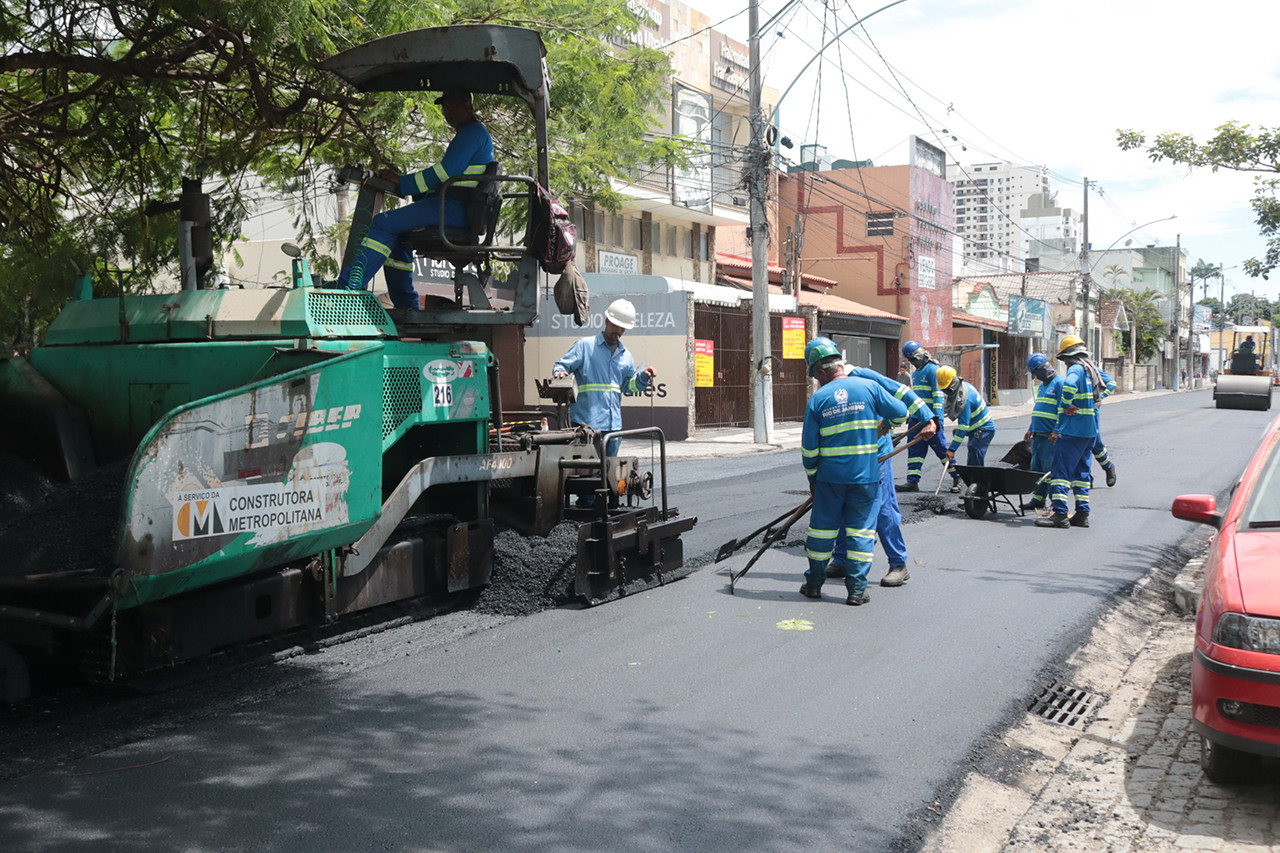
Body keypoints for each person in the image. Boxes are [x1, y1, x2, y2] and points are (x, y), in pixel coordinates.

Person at [337, 88, 495, 310]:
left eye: (451, 105)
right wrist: (409, 185)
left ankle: (346, 290)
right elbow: (448, 177)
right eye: (444, 106)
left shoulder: (472, 133)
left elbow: (444, 173)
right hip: (451, 205)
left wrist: (403, 183)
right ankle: (406, 307)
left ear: (467, 105)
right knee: (399, 239)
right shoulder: (473, 134)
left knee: (383, 223)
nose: (446, 111)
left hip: (452, 208)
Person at [799, 338, 910, 606]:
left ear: (822, 371)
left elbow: (809, 450)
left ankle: (814, 585)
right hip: (866, 478)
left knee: (821, 532)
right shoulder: (869, 388)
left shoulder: (818, 400)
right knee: (860, 532)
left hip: (830, 480)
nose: (816, 380)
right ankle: (857, 591)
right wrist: (885, 426)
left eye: (815, 375)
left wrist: (813, 480)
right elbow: (901, 412)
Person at [827, 355, 938, 588]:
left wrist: (928, 418)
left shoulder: (861, 375)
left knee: (883, 509)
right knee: (846, 505)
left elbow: (902, 393)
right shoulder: (827, 385)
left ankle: (899, 564)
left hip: (876, 454)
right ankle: (842, 559)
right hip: (850, 456)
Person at [552, 298, 656, 459]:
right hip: (585, 426)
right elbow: (561, 366)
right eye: (615, 325)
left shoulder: (626, 356)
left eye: (623, 327)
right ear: (607, 320)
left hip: (614, 428)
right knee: (585, 475)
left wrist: (643, 378)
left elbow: (628, 386)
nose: (619, 330)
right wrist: (560, 372)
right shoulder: (585, 347)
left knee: (609, 475)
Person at [1036, 335, 1101, 529]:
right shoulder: (1090, 370)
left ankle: (1060, 514)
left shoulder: (1075, 368)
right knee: (1081, 474)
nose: (1064, 363)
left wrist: (1065, 404)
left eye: (1063, 359)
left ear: (1068, 356)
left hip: (1073, 431)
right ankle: (1082, 514)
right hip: (1089, 431)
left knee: (1060, 472)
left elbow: (1070, 384)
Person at [899, 340, 955, 492]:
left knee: (941, 449)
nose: (913, 362)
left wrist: (936, 420)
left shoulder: (933, 370)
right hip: (917, 419)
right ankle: (912, 481)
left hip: (931, 420)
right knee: (915, 451)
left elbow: (938, 397)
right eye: (910, 360)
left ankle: (957, 477)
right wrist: (910, 415)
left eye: (914, 359)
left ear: (922, 355)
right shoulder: (916, 373)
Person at [937, 366, 995, 488]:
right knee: (973, 455)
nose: (945, 391)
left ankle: (977, 489)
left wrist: (952, 449)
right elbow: (967, 422)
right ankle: (975, 487)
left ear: (953, 383)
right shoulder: (962, 387)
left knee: (974, 454)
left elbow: (964, 426)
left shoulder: (965, 399)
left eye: (947, 388)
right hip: (975, 427)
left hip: (984, 429)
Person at [1021, 353, 1062, 511]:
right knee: (1036, 469)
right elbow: (1040, 408)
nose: (1035, 377)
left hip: (1049, 437)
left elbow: (1063, 411)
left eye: (1035, 373)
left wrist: (1056, 430)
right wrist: (1031, 428)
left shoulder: (1060, 384)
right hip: (1038, 435)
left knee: (1049, 470)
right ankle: (1038, 499)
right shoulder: (1044, 386)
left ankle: (1056, 503)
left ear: (1042, 369)